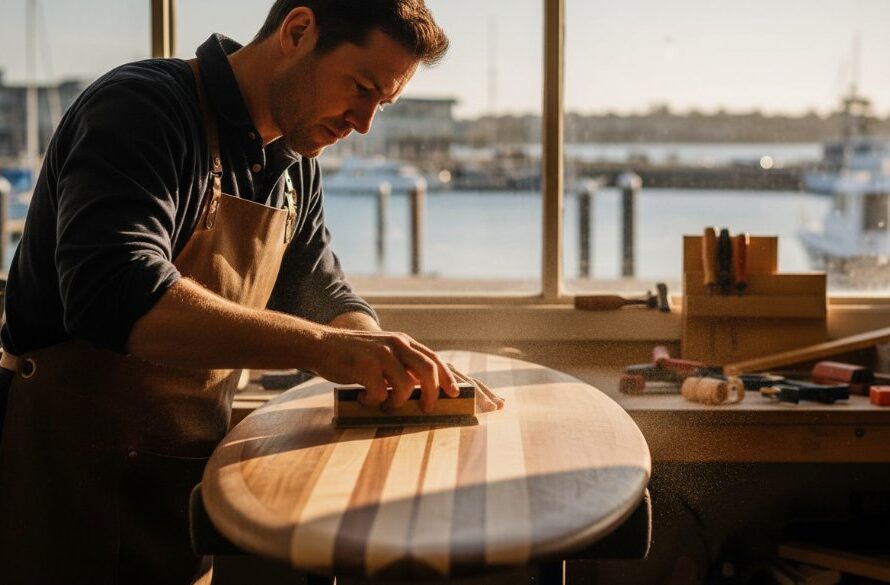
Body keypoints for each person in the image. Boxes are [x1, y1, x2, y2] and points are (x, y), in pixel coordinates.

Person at [0, 1, 477, 583]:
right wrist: (324, 349)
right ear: (298, 31)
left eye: (383, 103)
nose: (364, 123)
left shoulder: (295, 162)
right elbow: (113, 292)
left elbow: (319, 289)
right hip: (67, 486)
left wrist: (378, 353)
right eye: (360, 87)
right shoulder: (144, 108)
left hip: (182, 487)